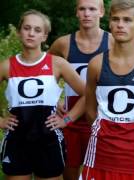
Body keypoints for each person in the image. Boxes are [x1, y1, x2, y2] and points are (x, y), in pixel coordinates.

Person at [81, 0, 134, 179]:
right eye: (116, 19)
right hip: (99, 152)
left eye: (127, 20)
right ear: (110, 22)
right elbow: (89, 110)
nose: (120, 25)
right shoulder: (96, 64)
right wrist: (102, 133)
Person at [0, 10, 85, 180]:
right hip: (17, 141)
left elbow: (87, 94)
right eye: (27, 28)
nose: (31, 33)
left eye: (37, 30)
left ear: (45, 36)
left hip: (48, 140)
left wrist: (67, 120)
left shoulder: (57, 63)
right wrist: (1, 121)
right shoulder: (6, 66)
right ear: (19, 32)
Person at [48, 0, 113, 179]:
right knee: (69, 171)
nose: (87, 13)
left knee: (100, 173)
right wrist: (56, 100)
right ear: (76, 12)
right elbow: (43, 73)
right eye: (82, 9)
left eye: (92, 9)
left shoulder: (113, 42)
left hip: (101, 119)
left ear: (101, 12)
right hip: (71, 121)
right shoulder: (63, 43)